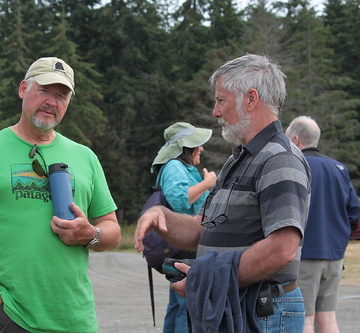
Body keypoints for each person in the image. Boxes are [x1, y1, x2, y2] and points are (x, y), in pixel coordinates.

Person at [134, 54, 311, 332]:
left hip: (265, 314)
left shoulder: (280, 159)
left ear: (251, 99)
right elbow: (200, 229)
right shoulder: (238, 159)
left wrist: (208, 278)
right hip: (240, 307)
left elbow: (282, 248)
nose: (215, 112)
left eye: (221, 100)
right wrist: (161, 216)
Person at [0, 57, 121, 333]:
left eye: (61, 96)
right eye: (44, 91)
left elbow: (111, 229)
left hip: (75, 317)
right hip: (12, 316)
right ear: (22, 89)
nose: (51, 102)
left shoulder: (84, 156)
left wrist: (91, 234)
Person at [285, 115, 360, 333]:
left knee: (305, 319)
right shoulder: (339, 169)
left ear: (296, 140)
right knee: (328, 318)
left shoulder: (295, 167)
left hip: (305, 255)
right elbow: (354, 212)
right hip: (334, 256)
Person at [151, 121, 217, 333]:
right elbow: (179, 200)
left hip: (183, 246)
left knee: (179, 302)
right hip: (182, 245)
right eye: (198, 144)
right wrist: (207, 184)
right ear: (185, 147)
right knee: (186, 304)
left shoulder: (183, 168)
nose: (202, 148)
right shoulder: (174, 167)